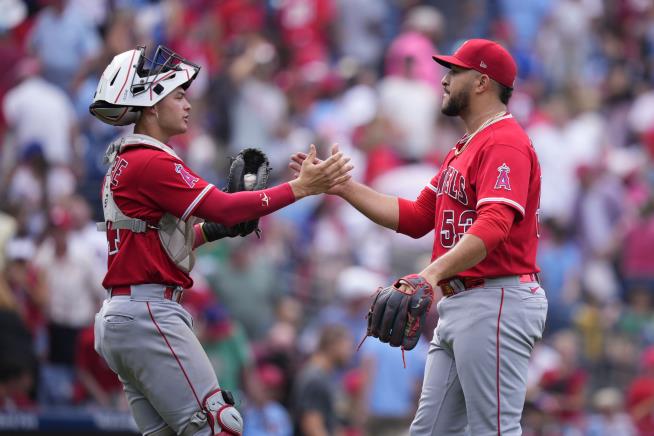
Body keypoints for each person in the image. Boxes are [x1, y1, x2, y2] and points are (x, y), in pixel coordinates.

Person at [89, 45, 352, 436]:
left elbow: (164, 242)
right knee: (220, 423)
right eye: (178, 96)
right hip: (149, 313)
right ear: (150, 106)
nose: (188, 105)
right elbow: (226, 208)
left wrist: (215, 230)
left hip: (125, 314)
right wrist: (300, 188)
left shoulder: (126, 160)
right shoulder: (152, 160)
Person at [291, 38, 547, 435]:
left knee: (493, 430)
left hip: (496, 298)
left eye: (455, 71)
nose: (444, 80)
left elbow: (495, 224)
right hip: (463, 301)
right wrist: (341, 186)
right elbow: (416, 216)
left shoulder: (505, 141)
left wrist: (429, 275)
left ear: (482, 82)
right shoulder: (463, 148)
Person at [291, 325, 354, 436]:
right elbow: (312, 427)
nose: (351, 353)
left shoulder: (325, 376)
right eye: (347, 347)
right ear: (333, 346)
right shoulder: (315, 378)